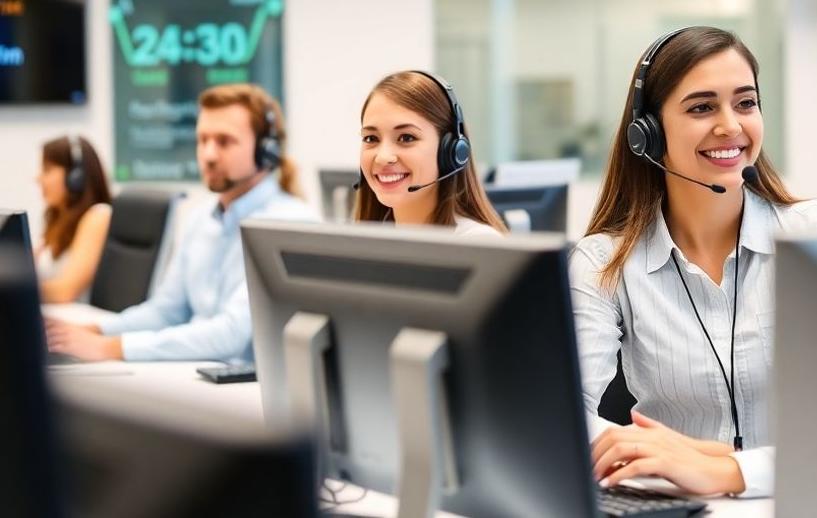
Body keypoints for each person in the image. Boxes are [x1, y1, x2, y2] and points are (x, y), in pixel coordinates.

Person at [572, 27, 817, 498]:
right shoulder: (603, 264)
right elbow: (560, 411)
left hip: (810, 498)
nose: (731, 126)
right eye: (702, 107)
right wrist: (641, 453)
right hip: (677, 503)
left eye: (745, 103)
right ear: (648, 133)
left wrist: (726, 469)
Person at [45, 83, 314, 362]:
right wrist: (93, 331)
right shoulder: (200, 219)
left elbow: (233, 334)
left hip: (245, 391)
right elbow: (166, 311)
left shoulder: (290, 225)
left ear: (266, 151)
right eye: (202, 140)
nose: (208, 155)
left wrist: (112, 348)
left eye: (224, 141)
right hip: (193, 376)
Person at [354, 70, 506, 236]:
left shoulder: (476, 241)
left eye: (406, 137)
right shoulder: (368, 240)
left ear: (450, 150)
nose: (383, 157)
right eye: (371, 139)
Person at [35, 134, 113, 304]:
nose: (38, 179)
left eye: (47, 170)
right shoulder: (57, 219)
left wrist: (11, 292)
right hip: (61, 317)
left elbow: (65, 291)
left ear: (75, 176)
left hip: (80, 320)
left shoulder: (98, 216)